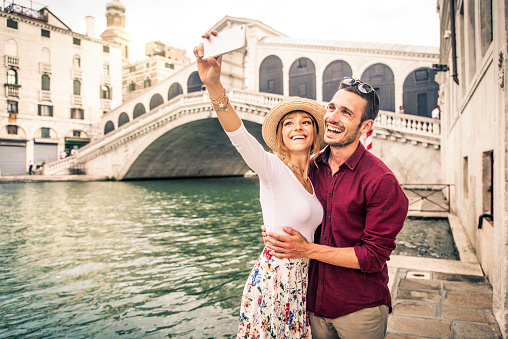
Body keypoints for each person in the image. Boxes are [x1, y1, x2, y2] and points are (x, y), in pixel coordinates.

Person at [194, 31, 326, 338]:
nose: (297, 127)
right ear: (280, 136)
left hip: (302, 282)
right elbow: (238, 135)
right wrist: (214, 83)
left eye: (305, 121)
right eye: (289, 123)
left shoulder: (316, 178)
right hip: (273, 281)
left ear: (314, 132)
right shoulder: (271, 168)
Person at [263, 78, 409, 338]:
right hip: (312, 306)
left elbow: (372, 257)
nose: (332, 117)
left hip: (359, 310)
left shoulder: (381, 181)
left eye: (346, 112)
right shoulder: (310, 169)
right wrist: (275, 229)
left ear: (366, 126)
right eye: (332, 107)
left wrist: (307, 250)